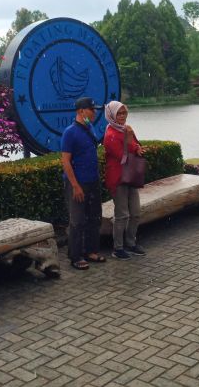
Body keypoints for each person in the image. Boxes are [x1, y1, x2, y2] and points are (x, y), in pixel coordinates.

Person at [60, 97, 106, 270]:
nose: (94, 113)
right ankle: (75, 256)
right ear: (81, 111)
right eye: (91, 109)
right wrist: (75, 186)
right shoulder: (70, 132)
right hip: (77, 183)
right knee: (77, 220)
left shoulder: (90, 128)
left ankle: (91, 251)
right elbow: (65, 161)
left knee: (94, 217)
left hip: (92, 181)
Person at [103, 101, 147, 260]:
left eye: (124, 113)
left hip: (131, 176)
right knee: (122, 214)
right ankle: (118, 248)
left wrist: (138, 148)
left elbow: (135, 146)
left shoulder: (126, 129)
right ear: (112, 115)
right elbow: (122, 156)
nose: (122, 116)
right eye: (119, 114)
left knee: (135, 212)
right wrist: (130, 141)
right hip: (118, 178)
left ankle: (131, 242)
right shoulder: (110, 134)